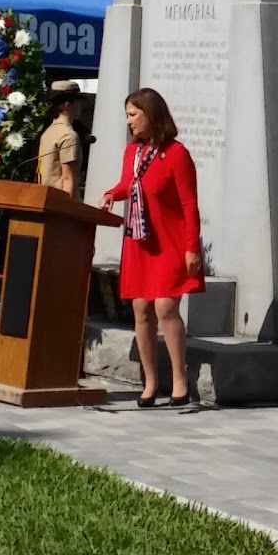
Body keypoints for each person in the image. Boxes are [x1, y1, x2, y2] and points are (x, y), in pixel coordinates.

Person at [98, 88, 203, 408]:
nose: (128, 122)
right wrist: (112, 194)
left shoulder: (176, 153)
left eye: (133, 115)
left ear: (150, 114)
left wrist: (192, 247)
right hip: (140, 241)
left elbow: (189, 205)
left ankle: (180, 380)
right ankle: (150, 382)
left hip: (170, 243)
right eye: (127, 115)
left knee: (165, 308)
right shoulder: (133, 152)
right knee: (141, 309)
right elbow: (128, 184)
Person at [38, 81, 83, 195]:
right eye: (77, 102)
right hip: (60, 200)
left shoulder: (48, 132)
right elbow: (67, 178)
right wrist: (68, 204)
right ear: (67, 105)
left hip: (45, 197)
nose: (80, 106)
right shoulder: (68, 136)